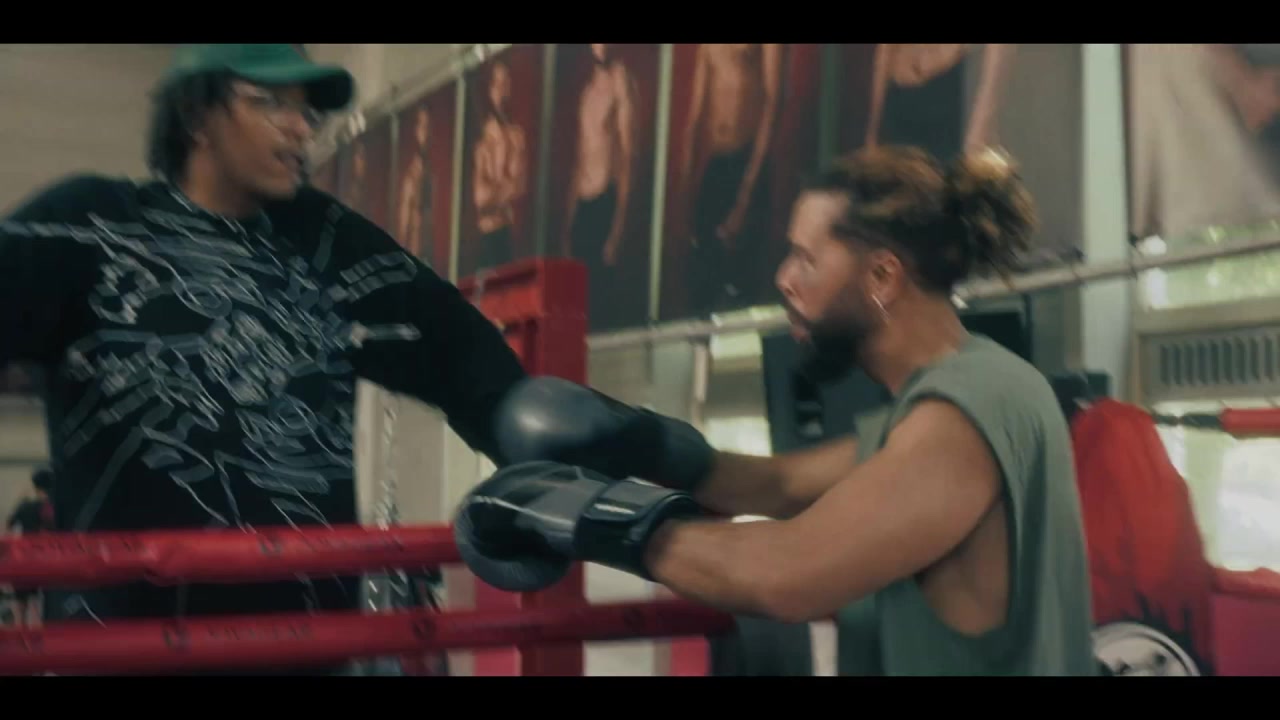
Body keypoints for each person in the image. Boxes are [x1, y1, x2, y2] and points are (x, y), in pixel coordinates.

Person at [457, 145, 1099, 676]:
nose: (785, 278)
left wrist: (575, 512)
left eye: (807, 259)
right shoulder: (953, 396)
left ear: (882, 278)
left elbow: (788, 573)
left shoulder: (967, 409)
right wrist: (635, 439)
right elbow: (780, 485)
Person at [0, 44, 530, 674]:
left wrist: (615, 477)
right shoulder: (91, 227)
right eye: (270, 103)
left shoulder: (325, 245)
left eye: (307, 112)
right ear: (197, 116)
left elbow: (479, 371)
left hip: (306, 654)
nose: (300, 128)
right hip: (127, 655)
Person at [678, 43, 781, 314]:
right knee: (702, 279)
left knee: (742, 284)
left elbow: (773, 104)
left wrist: (745, 199)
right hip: (716, 166)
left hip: (748, 163)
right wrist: (685, 191)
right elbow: (695, 116)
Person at [561, 43, 638, 329]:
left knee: (602, 306)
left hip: (606, 202)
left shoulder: (620, 80)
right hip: (583, 206)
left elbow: (629, 158)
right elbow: (578, 160)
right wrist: (568, 224)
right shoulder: (587, 92)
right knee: (577, 308)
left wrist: (618, 228)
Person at [470, 59, 528, 273]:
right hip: (485, 233)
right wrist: (504, 190)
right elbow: (480, 197)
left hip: (507, 232)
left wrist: (494, 193)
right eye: (497, 83)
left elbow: (519, 186)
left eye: (505, 83)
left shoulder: (517, 137)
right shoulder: (483, 141)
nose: (501, 90)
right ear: (490, 89)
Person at [5, 469, 56, 627]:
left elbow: (9, 526)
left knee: (20, 602)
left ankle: (20, 635)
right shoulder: (51, 507)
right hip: (43, 558)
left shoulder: (25, 505)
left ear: (34, 485)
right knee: (37, 603)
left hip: (22, 558)